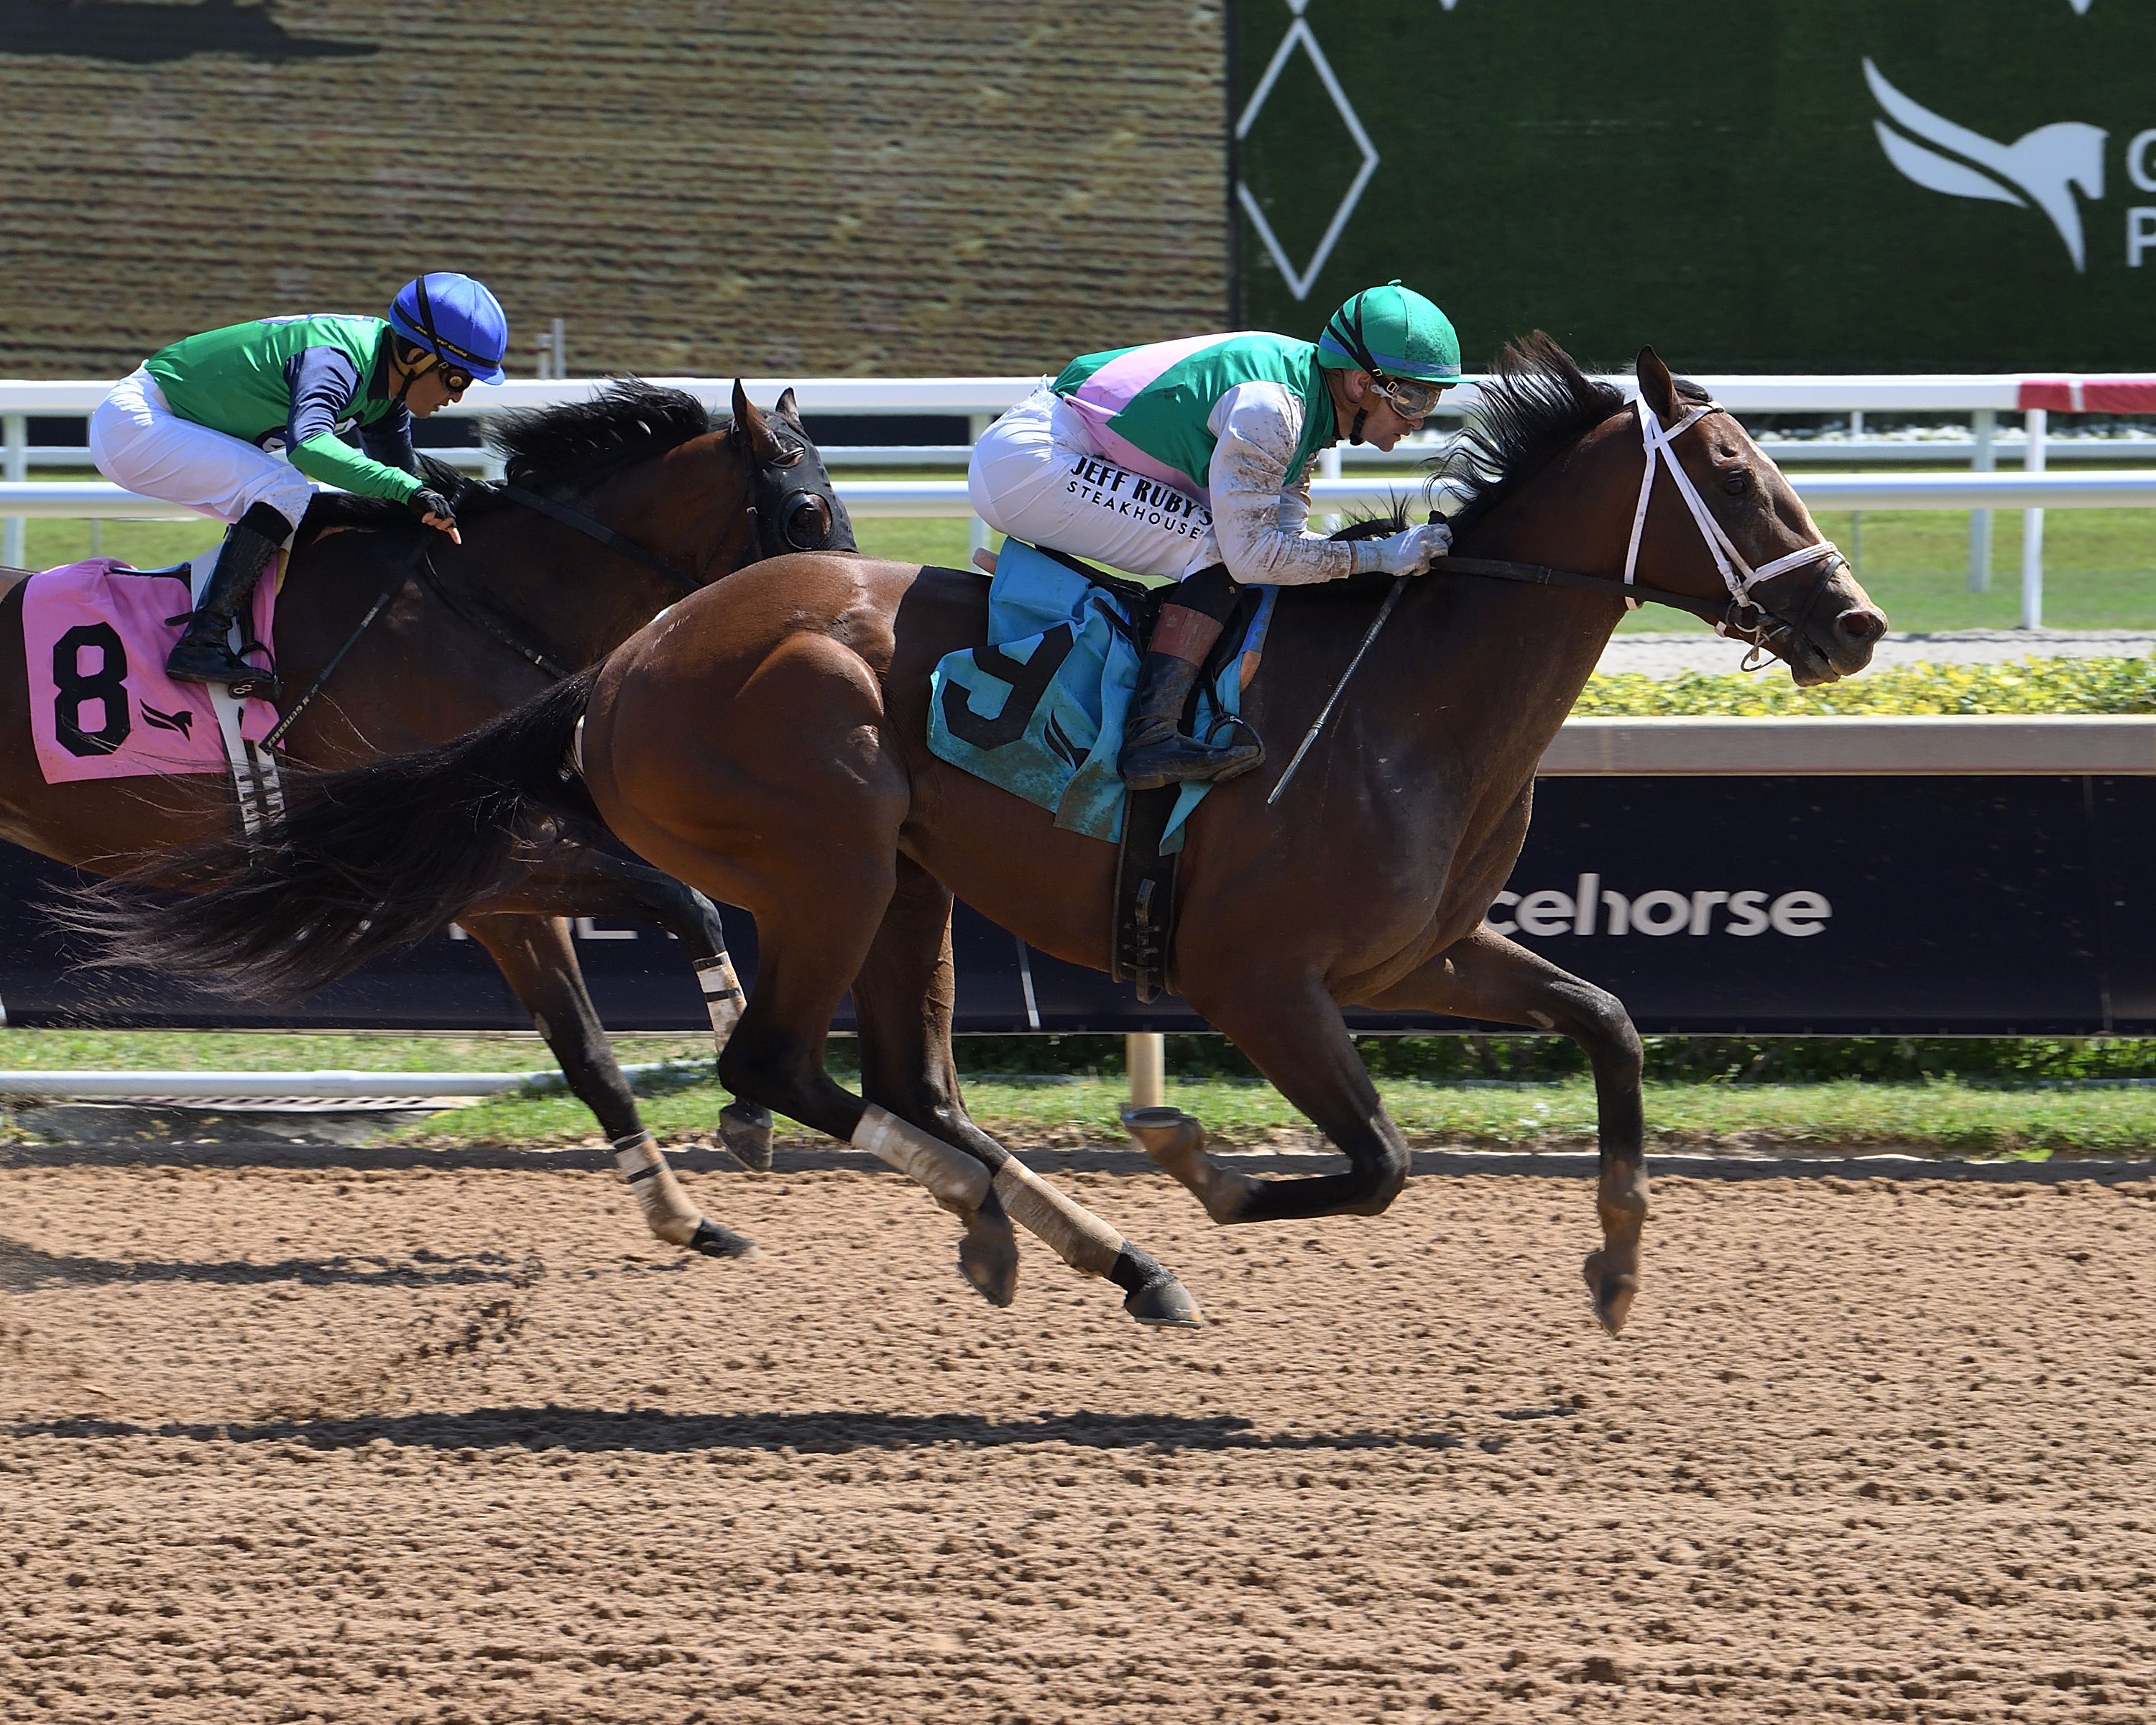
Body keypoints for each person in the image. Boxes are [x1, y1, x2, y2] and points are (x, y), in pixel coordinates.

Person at [968, 280, 1460, 789]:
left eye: (1433, 398)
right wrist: (1380, 557)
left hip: (1053, 452)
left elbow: (1285, 550)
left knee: (1232, 547)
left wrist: (1379, 556)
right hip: (1035, 461)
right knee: (1215, 548)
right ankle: (1150, 738)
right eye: (1412, 396)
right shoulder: (1274, 410)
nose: (1419, 419)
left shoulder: (1306, 413)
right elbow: (1250, 558)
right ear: (1361, 383)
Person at [89, 272, 510, 692]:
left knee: (295, 502)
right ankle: (203, 641)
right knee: (285, 489)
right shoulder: (338, 358)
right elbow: (309, 447)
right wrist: (407, 490)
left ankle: (246, 631)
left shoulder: (387, 386)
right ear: (417, 355)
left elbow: (403, 488)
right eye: (457, 379)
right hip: (137, 424)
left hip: (162, 423)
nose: (457, 396)